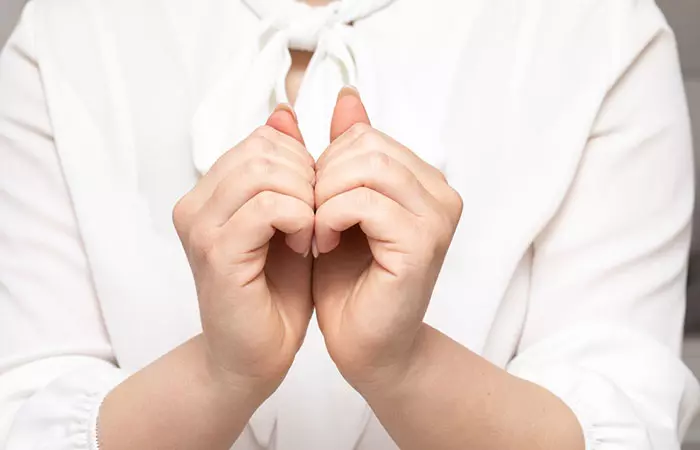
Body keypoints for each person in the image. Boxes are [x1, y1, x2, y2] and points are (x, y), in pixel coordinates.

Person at [0, 0, 697, 448]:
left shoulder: (601, 29)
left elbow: (627, 416)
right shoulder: (66, 31)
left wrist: (404, 365)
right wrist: (220, 375)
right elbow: (24, 411)